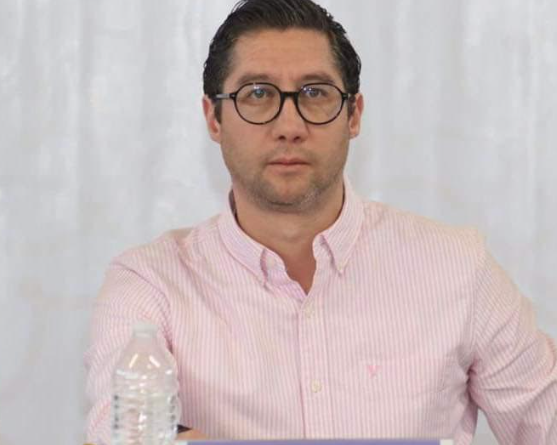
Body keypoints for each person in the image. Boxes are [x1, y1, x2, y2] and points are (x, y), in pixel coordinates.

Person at [84, 0, 557, 444]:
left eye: (315, 93)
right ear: (214, 118)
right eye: (257, 94)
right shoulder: (151, 285)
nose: (289, 126)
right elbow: (121, 435)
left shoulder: (459, 269)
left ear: (353, 115)